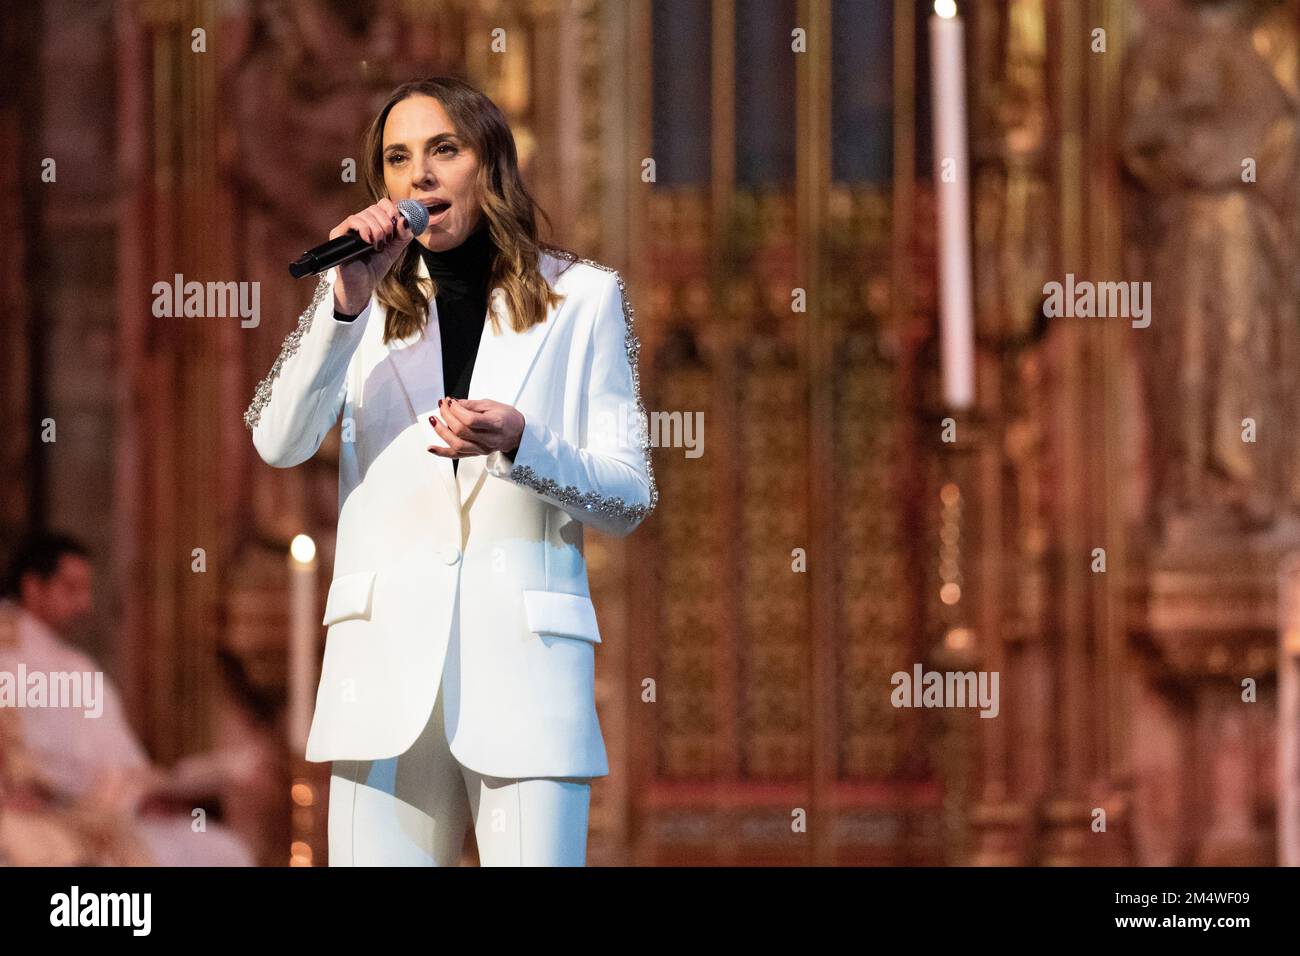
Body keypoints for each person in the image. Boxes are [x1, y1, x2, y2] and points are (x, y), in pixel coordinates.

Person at [244, 75, 658, 865]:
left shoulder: (584, 299)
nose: (419, 176)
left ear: (490, 165)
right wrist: (344, 305)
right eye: (398, 159)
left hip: (526, 672)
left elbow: (627, 495)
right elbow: (278, 440)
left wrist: (523, 443)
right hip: (382, 674)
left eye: (443, 150)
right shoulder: (359, 305)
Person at [0, 532, 256, 866]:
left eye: (86, 590)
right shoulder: (7, 655)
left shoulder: (77, 666)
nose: (85, 605)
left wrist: (147, 794)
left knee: (219, 849)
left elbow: (119, 761)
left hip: (97, 813)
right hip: (36, 815)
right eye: (71, 589)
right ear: (33, 587)